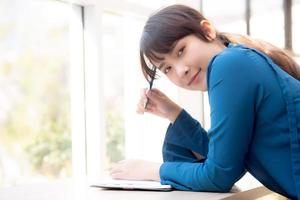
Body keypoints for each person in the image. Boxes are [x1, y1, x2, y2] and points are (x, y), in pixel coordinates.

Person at [109, 4, 300, 199]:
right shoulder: (237, 60)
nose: (180, 70)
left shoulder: (228, 66)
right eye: (167, 69)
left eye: (181, 51)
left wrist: (151, 170)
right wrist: (173, 113)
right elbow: (228, 156)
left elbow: (219, 174)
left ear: (207, 31)